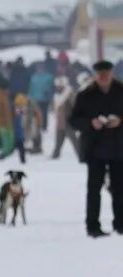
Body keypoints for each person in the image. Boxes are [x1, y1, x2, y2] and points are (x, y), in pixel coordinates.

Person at [69, 60, 123, 238]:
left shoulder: (121, 90)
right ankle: (93, 226)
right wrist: (90, 123)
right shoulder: (85, 95)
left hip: (119, 147)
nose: (104, 78)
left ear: (112, 74)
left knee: (120, 188)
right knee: (94, 189)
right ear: (95, 76)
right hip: (95, 148)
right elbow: (73, 120)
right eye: (100, 75)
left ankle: (120, 223)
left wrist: (120, 121)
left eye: (107, 74)